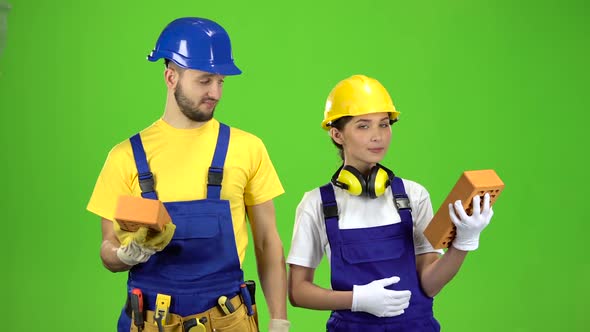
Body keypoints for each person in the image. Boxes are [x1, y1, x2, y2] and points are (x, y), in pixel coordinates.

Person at [87, 17, 290, 332]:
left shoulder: (247, 148)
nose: (216, 92)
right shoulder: (125, 157)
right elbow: (107, 247)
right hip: (151, 322)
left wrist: (279, 319)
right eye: (204, 80)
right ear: (171, 77)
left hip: (229, 320)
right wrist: (126, 255)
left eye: (221, 81)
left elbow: (267, 241)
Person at [287, 74, 494, 331]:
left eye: (384, 124)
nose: (378, 136)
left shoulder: (413, 196)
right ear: (337, 134)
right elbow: (297, 292)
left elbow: (430, 284)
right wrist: (356, 300)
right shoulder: (317, 203)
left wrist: (463, 242)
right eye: (364, 126)